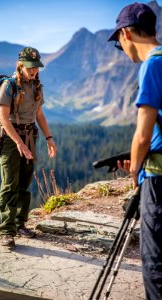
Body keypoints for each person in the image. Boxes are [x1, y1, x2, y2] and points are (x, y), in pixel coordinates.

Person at [108, 3, 162, 299]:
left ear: (126, 33)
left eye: (118, 44)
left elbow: (142, 135)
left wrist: (135, 171)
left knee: (156, 266)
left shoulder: (152, 64)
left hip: (159, 179)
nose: (122, 49)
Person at [0, 47, 57, 248]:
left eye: (36, 68)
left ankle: (21, 223)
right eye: (30, 68)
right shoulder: (9, 86)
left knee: (24, 181)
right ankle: (7, 230)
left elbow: (39, 115)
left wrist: (49, 138)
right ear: (21, 65)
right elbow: (4, 119)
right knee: (9, 184)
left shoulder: (37, 86)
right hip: (11, 140)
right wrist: (18, 143)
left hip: (30, 137)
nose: (34, 71)